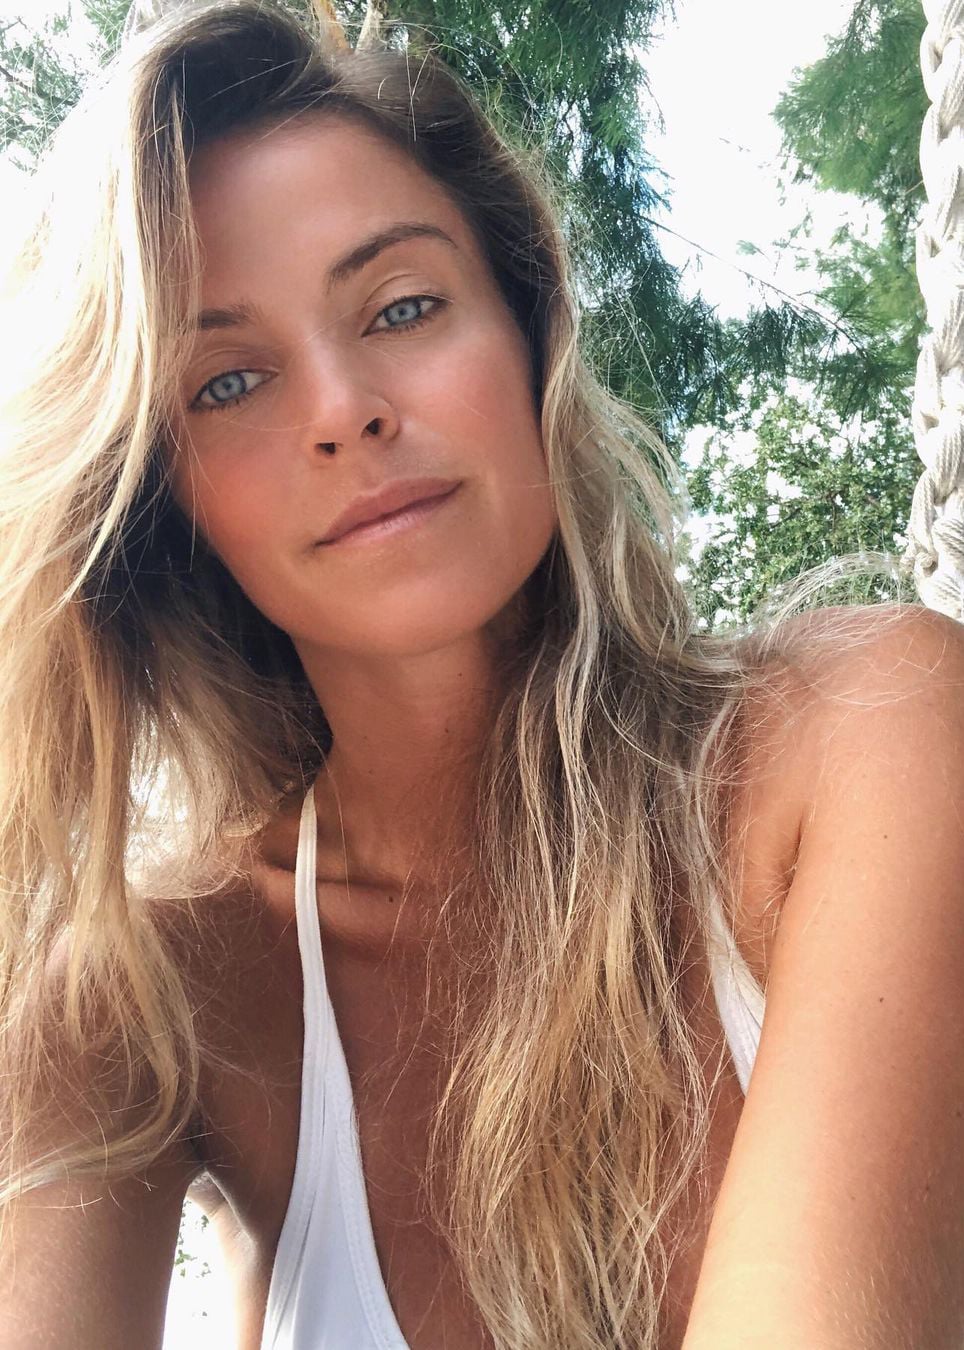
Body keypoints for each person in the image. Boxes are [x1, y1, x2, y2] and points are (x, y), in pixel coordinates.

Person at [1, 2, 963, 1348]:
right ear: (160, 500)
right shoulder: (159, 989)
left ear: (528, 333)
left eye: (401, 307)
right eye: (226, 383)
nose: (344, 409)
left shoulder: (866, 733)